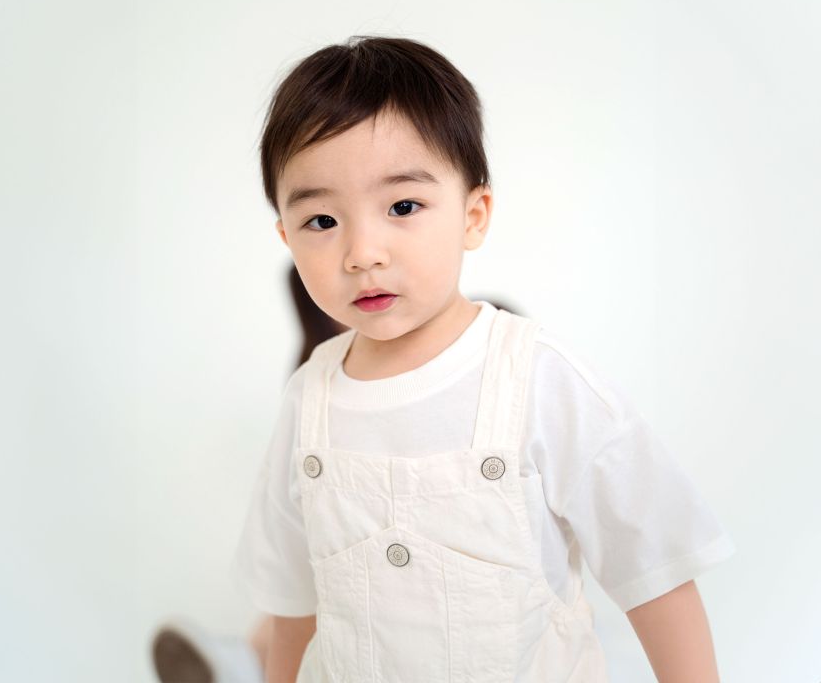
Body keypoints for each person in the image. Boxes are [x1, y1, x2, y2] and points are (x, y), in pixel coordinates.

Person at [234, 36, 737, 683]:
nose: (362, 253)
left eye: (403, 207)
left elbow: (655, 573)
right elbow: (293, 608)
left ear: (474, 216)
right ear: (286, 236)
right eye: (322, 222)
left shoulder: (541, 380)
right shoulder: (309, 400)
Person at [150, 265, 517, 683]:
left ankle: (241, 662)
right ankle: (242, 661)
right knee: (314, 572)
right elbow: (292, 587)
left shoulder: (499, 351)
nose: (364, 271)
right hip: (350, 557)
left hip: (465, 564)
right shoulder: (313, 385)